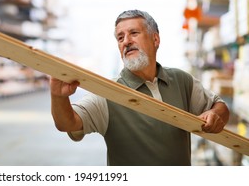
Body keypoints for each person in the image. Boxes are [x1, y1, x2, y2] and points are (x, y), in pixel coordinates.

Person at [50, 9, 229, 166]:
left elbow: (219, 106)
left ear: (155, 39)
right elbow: (68, 123)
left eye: (134, 33)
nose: (126, 41)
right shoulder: (109, 93)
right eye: (120, 38)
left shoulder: (181, 80)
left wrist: (215, 115)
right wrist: (58, 96)